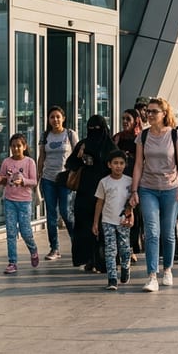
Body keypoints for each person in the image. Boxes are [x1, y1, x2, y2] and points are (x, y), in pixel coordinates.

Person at [130, 98, 178, 290]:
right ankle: (152, 275)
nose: (150, 114)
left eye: (154, 111)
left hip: (171, 188)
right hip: (148, 188)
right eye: (148, 111)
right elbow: (138, 164)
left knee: (168, 232)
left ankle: (168, 270)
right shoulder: (143, 136)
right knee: (152, 232)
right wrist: (134, 190)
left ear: (164, 113)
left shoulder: (175, 136)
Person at [66, 115, 118, 274]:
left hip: (105, 193)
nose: (94, 131)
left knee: (103, 228)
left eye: (97, 128)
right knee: (85, 226)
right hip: (86, 192)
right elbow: (70, 164)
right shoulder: (83, 144)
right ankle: (88, 259)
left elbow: (117, 165)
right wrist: (80, 157)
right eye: (91, 128)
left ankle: (102, 260)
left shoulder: (109, 146)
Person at [37, 106, 78, 262]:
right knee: (51, 215)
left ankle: (76, 244)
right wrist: (38, 175)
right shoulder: (45, 135)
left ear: (63, 118)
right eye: (52, 117)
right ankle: (54, 248)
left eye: (58, 117)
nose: (55, 120)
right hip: (48, 179)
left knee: (66, 212)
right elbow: (42, 157)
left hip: (65, 179)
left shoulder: (69, 134)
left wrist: (75, 172)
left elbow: (78, 154)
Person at [0, 133, 39, 275]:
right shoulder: (6, 162)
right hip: (9, 201)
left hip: (24, 202)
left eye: (19, 146)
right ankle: (12, 262)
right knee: (11, 232)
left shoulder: (29, 162)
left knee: (25, 231)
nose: (16, 149)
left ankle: (33, 250)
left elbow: (34, 181)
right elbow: (2, 177)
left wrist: (23, 181)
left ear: (24, 147)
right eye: (13, 146)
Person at [93, 150, 134, 290]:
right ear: (109, 165)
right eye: (115, 163)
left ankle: (125, 268)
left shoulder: (129, 182)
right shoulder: (104, 182)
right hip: (107, 220)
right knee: (110, 250)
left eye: (121, 163)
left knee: (124, 248)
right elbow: (99, 202)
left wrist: (131, 213)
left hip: (124, 221)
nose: (118, 166)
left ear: (125, 165)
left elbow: (133, 202)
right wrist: (95, 222)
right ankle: (112, 278)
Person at [113, 108, 144, 260]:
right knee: (120, 216)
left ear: (135, 121)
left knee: (134, 218)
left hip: (136, 182)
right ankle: (121, 248)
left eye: (128, 119)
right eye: (123, 119)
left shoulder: (141, 138)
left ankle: (131, 248)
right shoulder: (118, 138)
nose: (125, 122)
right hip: (119, 182)